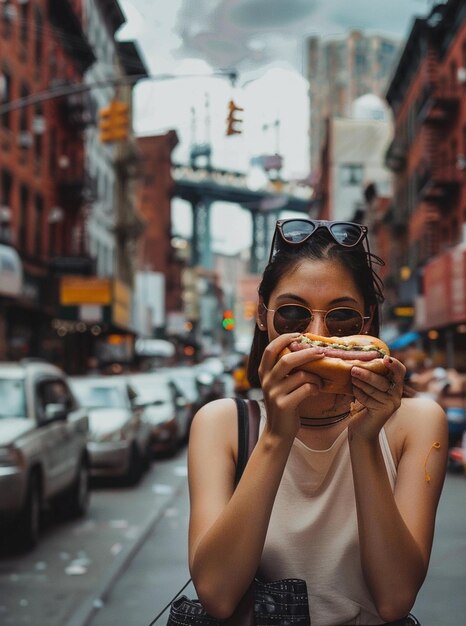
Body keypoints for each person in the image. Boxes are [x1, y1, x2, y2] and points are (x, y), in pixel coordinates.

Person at [187, 218, 447, 625]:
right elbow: (217, 595)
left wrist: (364, 440)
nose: (317, 334)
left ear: (367, 322)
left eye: (341, 318)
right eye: (293, 315)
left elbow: (395, 599)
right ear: (262, 317)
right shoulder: (220, 424)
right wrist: (275, 435)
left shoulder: (416, 423)